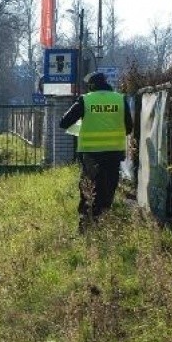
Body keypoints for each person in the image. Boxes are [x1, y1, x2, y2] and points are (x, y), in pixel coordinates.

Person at [60, 71, 133, 233]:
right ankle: (105, 217)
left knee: (89, 186)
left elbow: (64, 123)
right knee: (109, 185)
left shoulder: (85, 100)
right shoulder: (120, 99)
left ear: (91, 85)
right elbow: (129, 128)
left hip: (91, 152)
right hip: (114, 152)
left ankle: (87, 222)